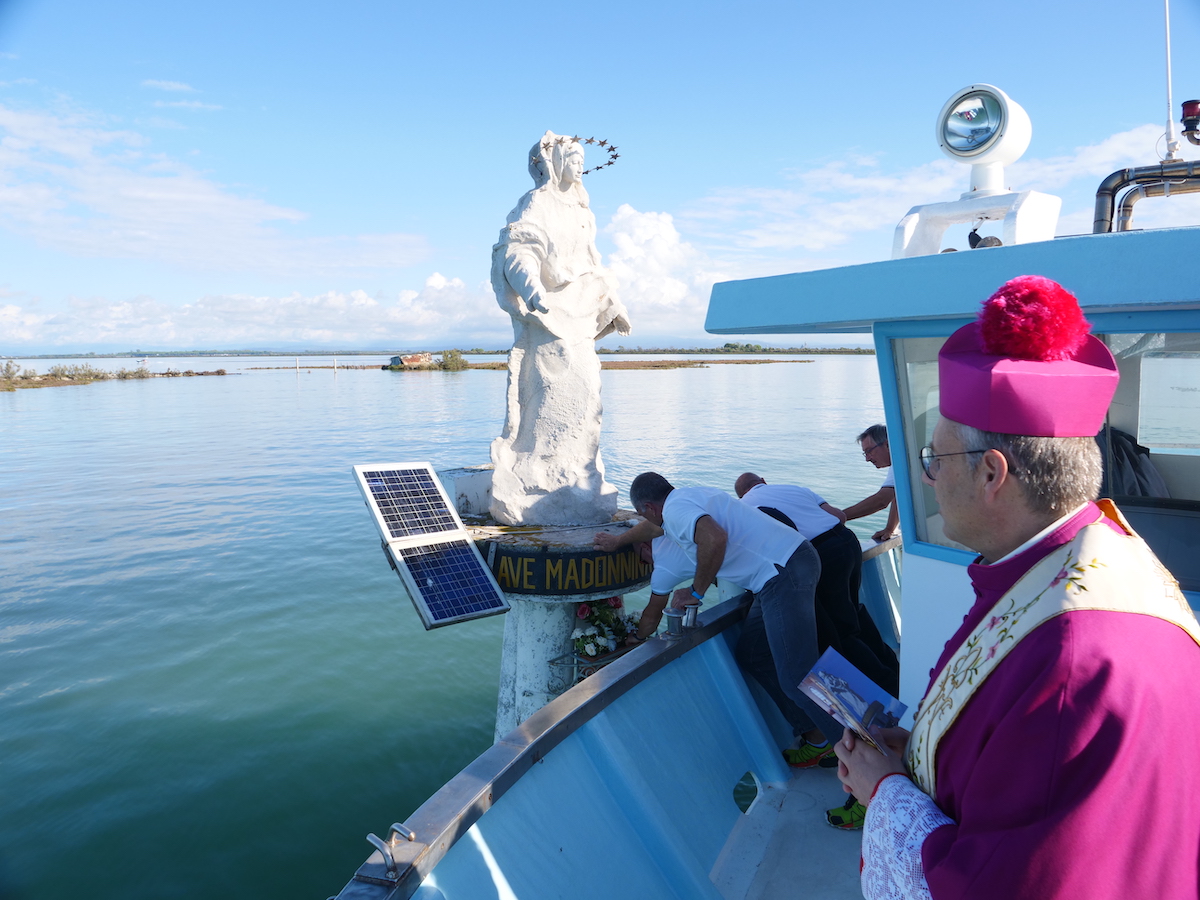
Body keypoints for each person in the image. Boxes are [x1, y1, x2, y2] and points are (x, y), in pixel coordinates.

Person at [835, 275, 1200, 899]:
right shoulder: (1086, 560)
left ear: (992, 473)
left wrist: (885, 792)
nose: (925, 480)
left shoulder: (1070, 660)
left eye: (934, 458)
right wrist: (923, 757)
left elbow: (1009, 882)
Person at [595, 473, 842, 753]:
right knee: (753, 655)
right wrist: (617, 542)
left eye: (644, 515)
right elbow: (651, 530)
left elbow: (714, 538)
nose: (648, 521)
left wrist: (696, 592)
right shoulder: (685, 498)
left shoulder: (675, 510)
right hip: (779, 570)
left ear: (649, 508)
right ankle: (817, 736)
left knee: (797, 675)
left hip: (782, 571)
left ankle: (864, 757)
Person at [489, 131, 631, 526]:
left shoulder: (584, 213)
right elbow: (518, 249)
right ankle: (538, 475)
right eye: (572, 158)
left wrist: (612, 303)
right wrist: (533, 291)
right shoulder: (537, 203)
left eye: (583, 158)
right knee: (549, 396)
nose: (579, 164)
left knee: (588, 396)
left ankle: (580, 474)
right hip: (549, 318)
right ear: (553, 164)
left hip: (580, 315)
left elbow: (592, 263)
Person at [735, 472, 898, 694]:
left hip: (820, 555)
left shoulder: (743, 506)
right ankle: (895, 669)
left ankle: (889, 687)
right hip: (847, 542)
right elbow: (839, 516)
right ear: (763, 481)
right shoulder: (794, 487)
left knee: (842, 632)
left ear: (741, 494)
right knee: (854, 614)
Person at [841, 424, 899, 542]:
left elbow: (881, 500)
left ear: (887, 444)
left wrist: (839, 516)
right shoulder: (901, 461)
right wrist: (890, 528)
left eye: (869, 451)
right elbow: (898, 496)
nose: (867, 458)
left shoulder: (900, 464)